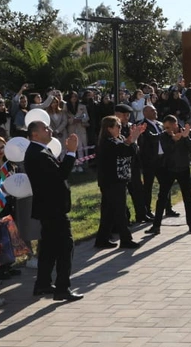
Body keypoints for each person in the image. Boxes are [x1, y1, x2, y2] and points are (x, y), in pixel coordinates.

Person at [24, 120, 83, 302]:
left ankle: (42, 283)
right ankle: (62, 288)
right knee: (66, 246)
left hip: (49, 208)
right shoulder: (38, 153)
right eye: (45, 128)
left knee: (48, 246)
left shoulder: (41, 150)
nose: (50, 130)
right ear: (35, 134)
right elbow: (61, 175)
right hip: (52, 209)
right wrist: (72, 151)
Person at [94, 115, 146, 251]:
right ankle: (126, 239)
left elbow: (130, 150)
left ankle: (102, 239)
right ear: (109, 128)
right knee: (120, 210)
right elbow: (125, 151)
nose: (120, 128)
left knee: (108, 211)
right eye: (117, 126)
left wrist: (132, 138)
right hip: (111, 181)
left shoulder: (118, 139)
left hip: (119, 179)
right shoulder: (107, 142)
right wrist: (133, 139)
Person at [146, 115, 191, 235]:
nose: (167, 130)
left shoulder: (186, 132)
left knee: (188, 198)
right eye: (165, 127)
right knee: (162, 197)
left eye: (169, 127)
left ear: (175, 124)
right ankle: (156, 226)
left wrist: (185, 138)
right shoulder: (164, 136)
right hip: (168, 170)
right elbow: (167, 151)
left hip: (184, 169)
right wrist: (175, 140)